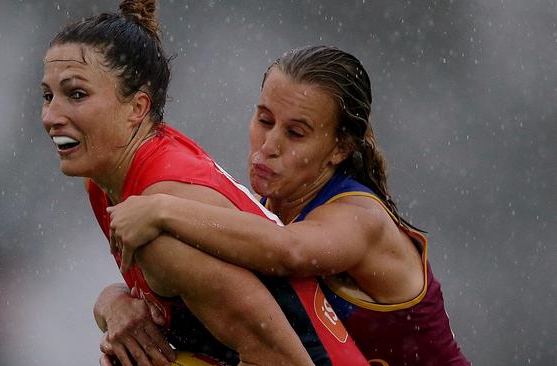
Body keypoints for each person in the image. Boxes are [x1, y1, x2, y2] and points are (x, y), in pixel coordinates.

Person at [40, 1, 367, 365]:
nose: (51, 116)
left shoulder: (161, 220)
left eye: (77, 95)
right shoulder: (108, 179)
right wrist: (112, 303)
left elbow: (283, 360)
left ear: (137, 108)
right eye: (48, 96)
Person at [108, 45, 471, 365]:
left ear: (341, 148)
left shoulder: (361, 218)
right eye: (264, 120)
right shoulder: (267, 211)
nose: (269, 145)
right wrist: (113, 305)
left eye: (295, 133)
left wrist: (160, 209)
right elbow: (205, 295)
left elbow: (289, 251)